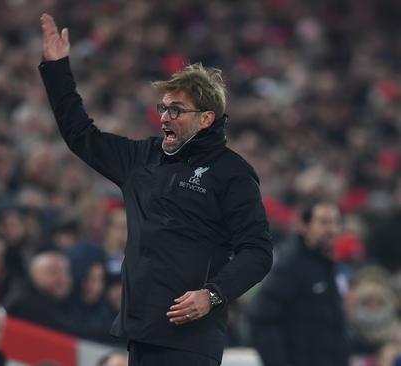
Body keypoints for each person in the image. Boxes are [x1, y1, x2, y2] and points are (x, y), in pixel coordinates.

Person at [39, 13, 273, 365]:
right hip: (140, 331)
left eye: (176, 110)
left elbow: (257, 251)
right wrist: (57, 70)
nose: (164, 117)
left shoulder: (233, 174)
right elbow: (80, 136)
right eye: (163, 108)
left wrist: (213, 295)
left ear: (206, 118)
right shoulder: (141, 158)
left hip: (191, 339)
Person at [247, 201, 349, 366]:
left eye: (336, 222)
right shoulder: (291, 265)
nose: (332, 229)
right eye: (324, 222)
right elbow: (260, 315)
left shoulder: (327, 266)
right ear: (304, 226)